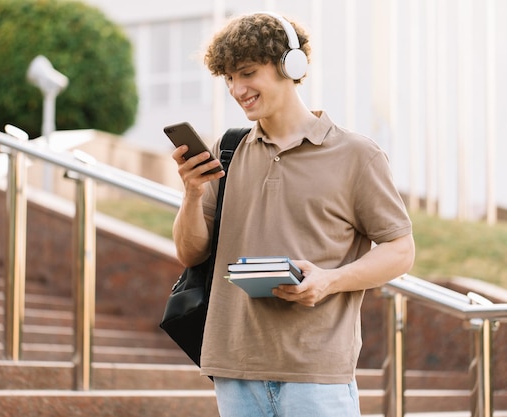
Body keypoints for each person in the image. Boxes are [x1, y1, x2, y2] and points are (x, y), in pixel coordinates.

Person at [170, 11, 415, 417]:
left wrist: (330, 281)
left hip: (316, 374)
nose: (237, 89)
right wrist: (192, 194)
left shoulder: (358, 156)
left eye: (247, 73)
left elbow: (400, 250)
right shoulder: (227, 151)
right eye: (228, 78)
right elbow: (190, 254)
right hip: (235, 369)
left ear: (290, 64)